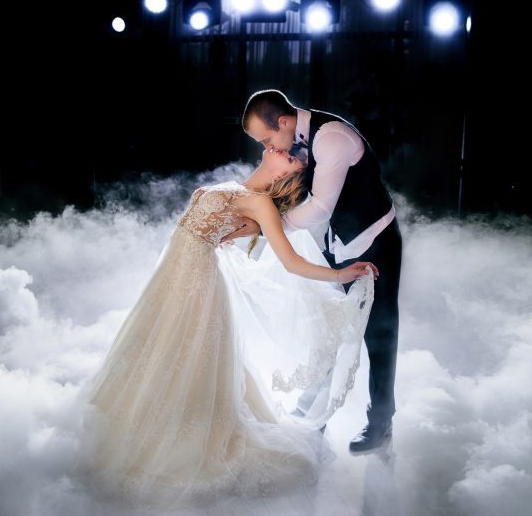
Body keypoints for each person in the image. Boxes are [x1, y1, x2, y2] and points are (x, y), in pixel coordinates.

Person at [75, 147, 377, 510]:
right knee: (152, 351)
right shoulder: (238, 189)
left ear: (285, 175)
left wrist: (340, 274)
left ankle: (180, 436)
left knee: (182, 358)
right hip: (169, 281)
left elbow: (291, 262)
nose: (285, 150)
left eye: (294, 158)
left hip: (196, 287)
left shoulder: (260, 206)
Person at [231, 89, 402, 454]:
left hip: (374, 241)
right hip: (335, 245)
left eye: (266, 138)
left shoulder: (332, 138)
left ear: (283, 121)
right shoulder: (293, 141)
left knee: (379, 334)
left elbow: (322, 207)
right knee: (330, 328)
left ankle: (381, 422)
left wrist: (268, 225)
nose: (267, 147)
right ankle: (312, 415)